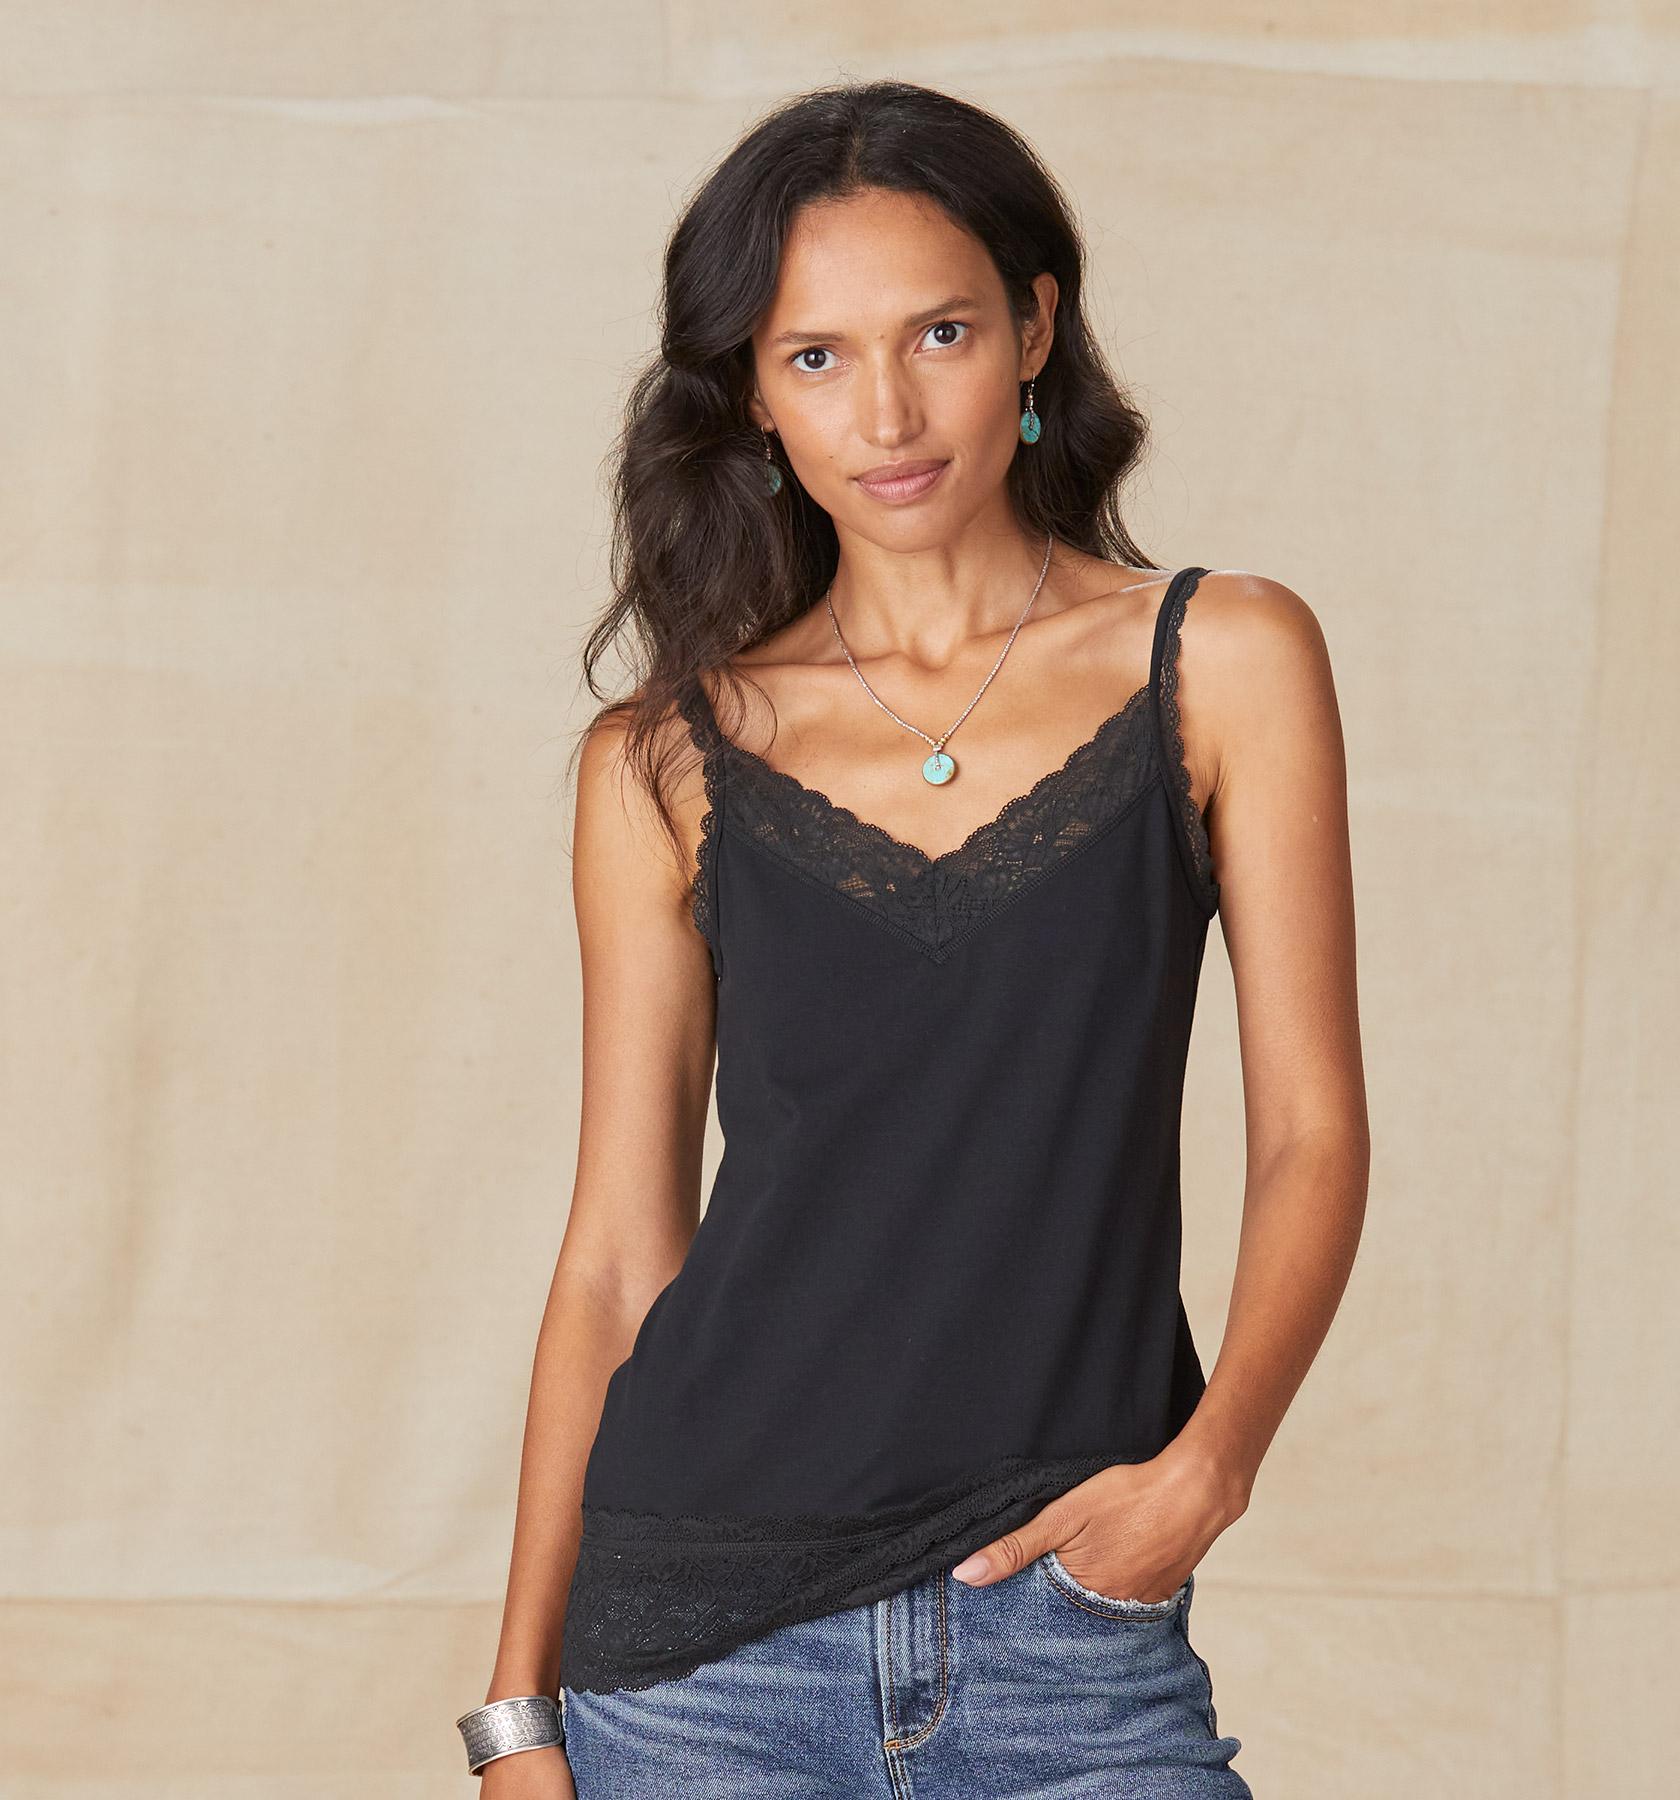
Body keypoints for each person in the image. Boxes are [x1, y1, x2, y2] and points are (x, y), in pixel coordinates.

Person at [457, 78, 1368, 1799]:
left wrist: (1211, 1468)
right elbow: (618, 1257)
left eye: (938, 332)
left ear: (1034, 328)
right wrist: (519, 1712)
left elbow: (1311, 1133)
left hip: (1071, 1643)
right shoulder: (662, 758)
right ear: (753, 393)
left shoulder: (1222, 660)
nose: (885, 411)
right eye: (815, 357)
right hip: (699, 1664)